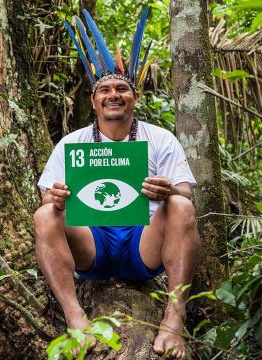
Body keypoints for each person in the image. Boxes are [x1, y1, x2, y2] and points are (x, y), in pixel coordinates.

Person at [34, 9, 200, 359]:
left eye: (122, 88)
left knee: (182, 205)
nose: (114, 94)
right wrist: (58, 197)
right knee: (45, 214)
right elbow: (48, 194)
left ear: (134, 98)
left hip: (143, 243)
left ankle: (174, 320)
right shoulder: (72, 143)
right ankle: (76, 320)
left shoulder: (159, 139)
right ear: (94, 101)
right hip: (91, 244)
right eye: (105, 89)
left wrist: (168, 190)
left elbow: (185, 192)